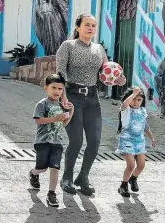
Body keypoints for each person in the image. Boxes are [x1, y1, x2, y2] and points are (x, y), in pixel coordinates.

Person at [56, 13, 127, 196]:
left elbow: (106, 72)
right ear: (78, 27)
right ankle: (67, 177)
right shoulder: (68, 46)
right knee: (77, 141)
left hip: (92, 99)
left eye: (93, 25)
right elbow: (60, 73)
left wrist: (117, 79)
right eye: (87, 24)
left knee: (95, 142)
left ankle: (83, 176)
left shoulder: (99, 49)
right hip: (72, 97)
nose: (90, 28)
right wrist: (62, 97)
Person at [29, 73, 74, 207]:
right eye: (54, 88)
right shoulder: (42, 104)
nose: (57, 91)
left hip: (57, 142)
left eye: (60, 89)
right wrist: (55, 118)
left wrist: (70, 113)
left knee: (55, 167)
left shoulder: (61, 105)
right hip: (43, 141)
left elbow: (63, 124)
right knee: (42, 168)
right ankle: (33, 173)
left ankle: (52, 193)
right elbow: (38, 120)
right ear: (46, 88)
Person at [116, 87, 156, 198]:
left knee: (141, 165)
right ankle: (123, 185)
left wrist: (151, 138)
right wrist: (133, 94)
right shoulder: (126, 110)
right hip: (127, 140)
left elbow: (146, 127)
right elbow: (124, 105)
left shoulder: (143, 111)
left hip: (139, 142)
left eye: (139, 100)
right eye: (134, 99)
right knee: (131, 165)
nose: (135, 102)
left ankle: (133, 178)